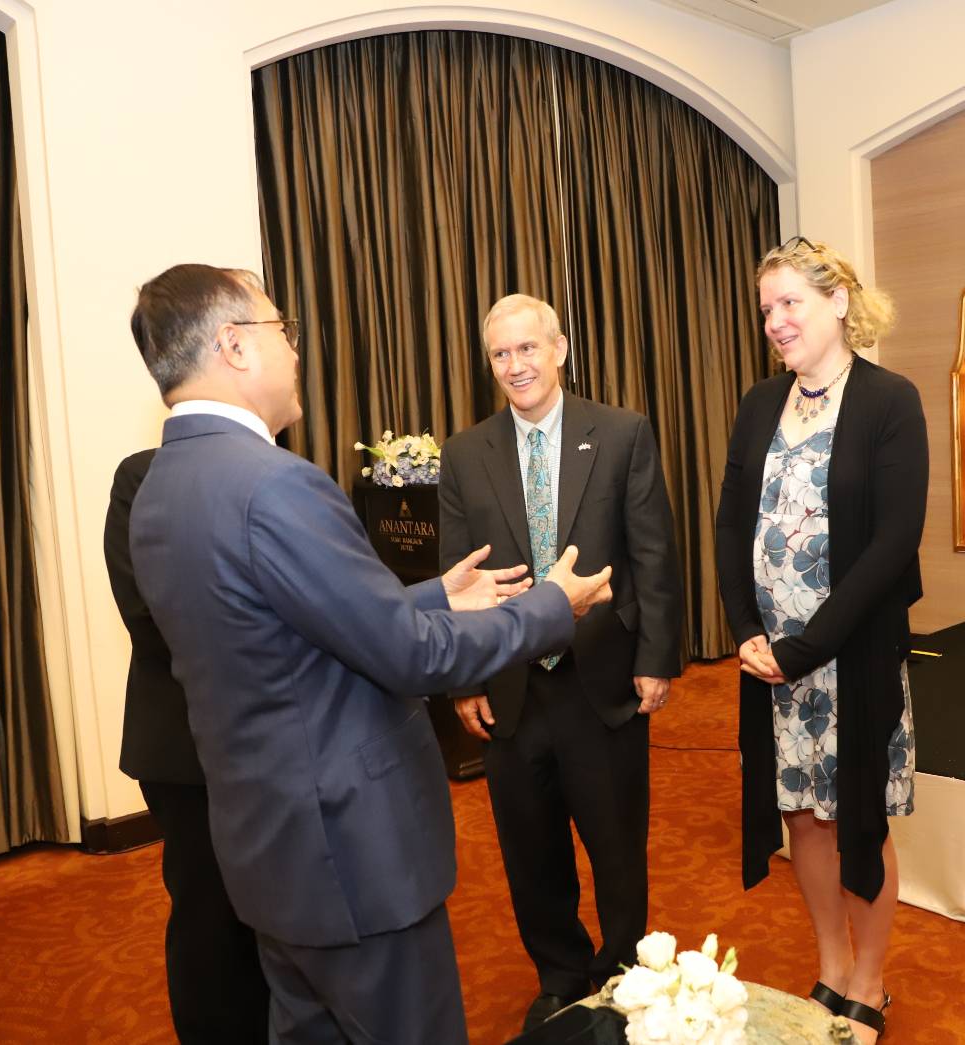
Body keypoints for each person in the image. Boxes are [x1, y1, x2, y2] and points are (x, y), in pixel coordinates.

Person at [125, 264, 613, 1045]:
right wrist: (550, 606)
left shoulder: (161, 486)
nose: (295, 350)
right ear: (234, 345)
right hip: (351, 854)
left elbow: (282, 634)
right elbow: (411, 657)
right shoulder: (274, 485)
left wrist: (434, 595)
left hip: (269, 849)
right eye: (282, 329)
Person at [439, 293, 683, 1032]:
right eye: (500, 354)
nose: (515, 365)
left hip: (601, 682)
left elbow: (653, 554)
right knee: (530, 848)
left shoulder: (621, 433)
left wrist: (656, 657)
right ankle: (558, 974)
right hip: (511, 686)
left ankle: (623, 975)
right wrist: (464, 679)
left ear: (560, 349)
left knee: (616, 847)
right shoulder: (465, 453)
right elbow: (456, 577)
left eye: (527, 348)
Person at [715, 238, 927, 1044]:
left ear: (837, 302)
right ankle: (832, 967)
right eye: (766, 308)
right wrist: (746, 630)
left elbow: (893, 543)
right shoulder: (757, 403)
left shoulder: (889, 400)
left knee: (857, 818)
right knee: (801, 815)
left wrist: (805, 647)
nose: (774, 320)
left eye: (790, 302)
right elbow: (730, 523)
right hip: (771, 661)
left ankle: (868, 982)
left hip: (850, 656)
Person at [103, 448, 269, 1042]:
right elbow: (148, 615)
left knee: (284, 912)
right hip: (186, 746)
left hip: (277, 740)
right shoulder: (142, 477)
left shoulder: (278, 477)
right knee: (209, 917)